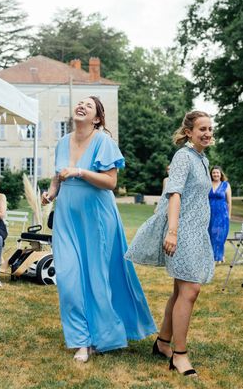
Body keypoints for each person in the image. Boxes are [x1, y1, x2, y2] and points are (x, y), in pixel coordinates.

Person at [42, 96, 156, 363]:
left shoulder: (104, 142)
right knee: (69, 278)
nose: (81, 105)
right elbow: (58, 176)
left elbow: (110, 182)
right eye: (79, 102)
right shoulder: (61, 142)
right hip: (67, 218)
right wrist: (51, 193)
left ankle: (96, 338)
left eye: (89, 105)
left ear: (96, 118)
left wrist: (80, 172)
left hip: (98, 219)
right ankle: (81, 339)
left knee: (98, 278)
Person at [127, 110, 215, 377]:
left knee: (181, 291)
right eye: (202, 129)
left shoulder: (202, 158)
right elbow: (174, 193)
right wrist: (173, 231)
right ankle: (179, 355)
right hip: (182, 231)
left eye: (210, 129)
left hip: (197, 232)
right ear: (188, 132)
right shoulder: (183, 157)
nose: (208, 133)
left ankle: (163, 343)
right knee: (190, 290)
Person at [208, 166, 232, 263]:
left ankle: (220, 256)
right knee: (210, 234)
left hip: (222, 213)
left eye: (217, 173)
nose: (215, 174)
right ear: (211, 174)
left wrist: (229, 215)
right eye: (214, 173)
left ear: (221, 174)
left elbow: (229, 202)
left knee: (220, 234)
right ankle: (212, 256)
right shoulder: (208, 184)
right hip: (210, 213)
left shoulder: (226, 185)